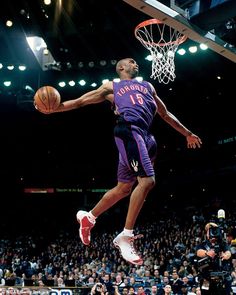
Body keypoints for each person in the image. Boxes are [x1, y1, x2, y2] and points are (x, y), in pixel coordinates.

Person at [36, 57, 202, 265]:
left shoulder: (148, 86)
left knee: (124, 188)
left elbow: (165, 114)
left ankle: (89, 217)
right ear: (121, 68)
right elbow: (80, 101)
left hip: (145, 136)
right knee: (147, 181)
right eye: (131, 62)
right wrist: (54, 108)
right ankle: (125, 235)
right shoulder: (112, 87)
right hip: (128, 130)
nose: (136, 63)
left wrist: (187, 133)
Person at [196, 222, 232, 295]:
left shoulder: (223, 243)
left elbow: (229, 253)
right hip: (206, 278)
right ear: (207, 233)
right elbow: (198, 252)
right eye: (210, 230)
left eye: (215, 230)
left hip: (222, 276)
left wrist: (225, 255)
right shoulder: (203, 244)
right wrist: (207, 253)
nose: (213, 233)